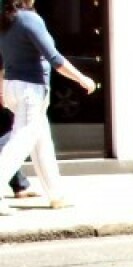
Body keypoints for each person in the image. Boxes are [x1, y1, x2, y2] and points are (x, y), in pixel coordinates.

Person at [0, 0, 95, 215]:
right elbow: (54, 58)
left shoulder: (8, 20)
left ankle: (56, 195)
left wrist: (2, 90)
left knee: (42, 144)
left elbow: (4, 61)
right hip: (30, 90)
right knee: (21, 142)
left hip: (14, 87)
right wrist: (82, 79)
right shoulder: (29, 19)